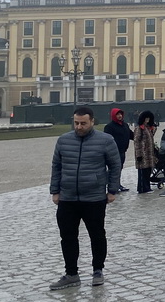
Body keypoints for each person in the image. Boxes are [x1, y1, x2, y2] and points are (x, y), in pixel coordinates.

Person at [48, 106, 121, 289]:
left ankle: (98, 270)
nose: (79, 127)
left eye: (83, 123)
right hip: (68, 197)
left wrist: (112, 190)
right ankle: (71, 273)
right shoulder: (63, 141)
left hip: (94, 197)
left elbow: (115, 165)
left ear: (92, 122)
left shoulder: (105, 140)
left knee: (97, 235)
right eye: (76, 123)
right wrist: (55, 191)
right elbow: (56, 166)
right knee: (68, 237)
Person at [103, 108, 133, 192]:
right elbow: (106, 140)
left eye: (121, 114)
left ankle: (117, 184)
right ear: (114, 115)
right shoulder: (109, 127)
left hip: (122, 151)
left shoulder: (125, 125)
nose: (120, 116)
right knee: (114, 169)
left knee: (119, 168)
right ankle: (112, 185)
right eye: (117, 114)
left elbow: (131, 135)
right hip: (113, 152)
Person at [133, 111, 158, 193]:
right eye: (146, 118)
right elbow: (136, 141)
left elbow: (151, 135)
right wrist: (139, 154)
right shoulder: (139, 128)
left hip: (149, 154)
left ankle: (147, 187)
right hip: (142, 154)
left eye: (148, 118)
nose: (147, 120)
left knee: (148, 171)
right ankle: (142, 188)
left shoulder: (148, 128)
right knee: (142, 172)